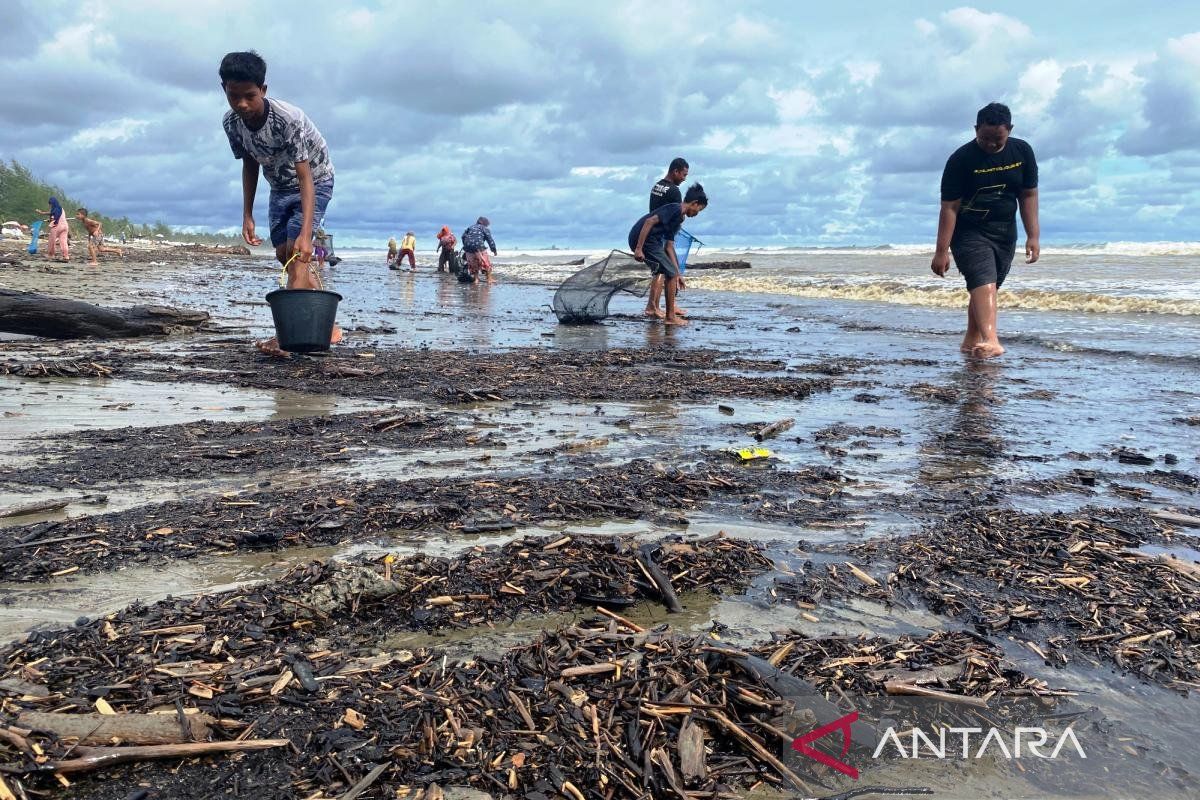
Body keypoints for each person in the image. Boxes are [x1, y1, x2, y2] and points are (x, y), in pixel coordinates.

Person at [219, 50, 338, 357]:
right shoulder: (232, 123)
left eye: (250, 96)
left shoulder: (288, 119)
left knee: (298, 252)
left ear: (264, 90)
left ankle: (287, 336)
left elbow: (305, 176)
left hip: (315, 180)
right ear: (225, 91)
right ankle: (327, 324)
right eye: (234, 96)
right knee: (283, 253)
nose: (242, 104)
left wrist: (307, 230)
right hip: (279, 187)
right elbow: (249, 164)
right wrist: (247, 212)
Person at [932, 102, 1039, 359]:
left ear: (1010, 130)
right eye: (985, 138)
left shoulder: (1022, 151)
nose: (991, 144)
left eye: (998, 138)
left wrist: (1033, 235)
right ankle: (992, 340)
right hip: (968, 231)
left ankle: (971, 342)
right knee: (984, 282)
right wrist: (941, 251)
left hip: (1004, 231)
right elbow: (950, 207)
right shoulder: (961, 159)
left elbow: (1028, 195)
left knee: (987, 287)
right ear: (976, 129)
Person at [629, 183, 707, 326]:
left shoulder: (679, 219)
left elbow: (669, 247)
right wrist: (639, 248)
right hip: (643, 238)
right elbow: (649, 221)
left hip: (653, 241)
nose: (697, 214)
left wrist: (679, 274)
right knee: (669, 272)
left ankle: (654, 308)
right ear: (694, 203)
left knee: (669, 271)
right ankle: (670, 317)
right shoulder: (675, 209)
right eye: (699, 210)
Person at [645, 158, 689, 318]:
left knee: (661, 269)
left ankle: (662, 305)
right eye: (683, 174)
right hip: (662, 232)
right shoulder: (674, 191)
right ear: (675, 171)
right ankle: (653, 306)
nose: (685, 178)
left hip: (653, 229)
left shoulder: (657, 185)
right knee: (662, 270)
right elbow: (678, 214)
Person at [462, 217, 497, 282]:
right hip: (479, 247)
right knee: (485, 263)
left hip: (468, 247)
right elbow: (490, 240)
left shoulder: (470, 227)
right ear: (484, 223)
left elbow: (463, 236)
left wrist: (466, 246)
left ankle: (476, 279)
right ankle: (489, 279)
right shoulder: (484, 228)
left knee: (473, 264)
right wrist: (494, 250)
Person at [34, 197, 69, 262]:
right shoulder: (61, 208)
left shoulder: (55, 209)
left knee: (52, 241)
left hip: (57, 226)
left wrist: (51, 220)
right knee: (64, 242)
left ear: (53, 203)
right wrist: (42, 213)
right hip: (65, 226)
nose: (50, 205)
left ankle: (51, 254)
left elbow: (54, 217)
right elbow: (52, 213)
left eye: (50, 204)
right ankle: (66, 256)